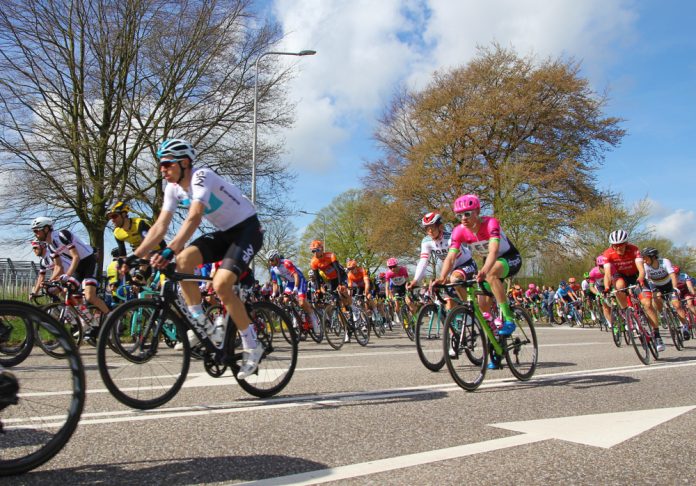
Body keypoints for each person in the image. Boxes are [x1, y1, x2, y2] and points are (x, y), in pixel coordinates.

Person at [132, 138, 264, 379]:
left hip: (247, 230)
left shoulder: (201, 176)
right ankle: (202, 322)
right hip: (225, 233)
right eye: (161, 165)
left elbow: (194, 218)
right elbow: (160, 226)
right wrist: (136, 255)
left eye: (167, 164)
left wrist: (169, 249)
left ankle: (252, 345)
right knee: (183, 262)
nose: (162, 170)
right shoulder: (172, 189)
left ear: (184, 163)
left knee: (221, 284)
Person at [436, 194, 522, 339]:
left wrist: (485, 270)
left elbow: (494, 251)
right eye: (459, 215)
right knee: (483, 306)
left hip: (509, 258)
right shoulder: (459, 231)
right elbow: (450, 257)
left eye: (467, 214)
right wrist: (442, 277)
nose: (463, 218)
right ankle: (496, 343)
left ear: (477, 212)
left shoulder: (490, 223)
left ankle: (508, 318)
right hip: (490, 262)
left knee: (490, 274)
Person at [31, 216, 110, 339]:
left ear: (46, 229)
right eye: (34, 231)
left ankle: (111, 317)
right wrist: (50, 281)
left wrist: (67, 275)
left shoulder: (62, 235)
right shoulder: (51, 246)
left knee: (89, 296)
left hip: (88, 261)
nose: (35, 233)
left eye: (37, 230)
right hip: (78, 267)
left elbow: (76, 257)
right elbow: (58, 266)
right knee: (67, 291)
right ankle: (89, 322)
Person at [601, 230, 663, 352]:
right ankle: (626, 312)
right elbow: (607, 274)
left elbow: (641, 269)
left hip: (635, 275)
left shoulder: (634, 249)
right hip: (621, 275)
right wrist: (607, 288)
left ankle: (657, 335)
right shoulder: (607, 254)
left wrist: (640, 278)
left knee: (647, 304)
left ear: (626, 243)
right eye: (615, 245)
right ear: (612, 245)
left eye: (621, 244)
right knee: (618, 287)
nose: (618, 247)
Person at [408, 212, 476, 309]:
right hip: (450, 270)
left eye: (432, 227)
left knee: (454, 278)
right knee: (449, 306)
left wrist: (443, 277)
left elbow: (452, 259)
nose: (430, 231)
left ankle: (470, 311)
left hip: (466, 264)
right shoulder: (426, 242)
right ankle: (457, 318)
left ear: (440, 226)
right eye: (427, 228)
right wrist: (415, 280)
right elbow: (423, 262)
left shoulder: (451, 238)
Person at [267, 249, 320, 334]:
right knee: (286, 300)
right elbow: (275, 284)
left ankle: (313, 318)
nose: (270, 262)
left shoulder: (286, 263)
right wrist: (273, 294)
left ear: (277, 258)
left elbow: (296, 275)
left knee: (302, 302)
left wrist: (295, 288)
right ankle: (297, 316)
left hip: (300, 280)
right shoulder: (273, 269)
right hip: (290, 283)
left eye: (271, 260)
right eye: (269, 261)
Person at [642, 247, 689, 338]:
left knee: (676, 305)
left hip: (669, 285)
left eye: (646, 257)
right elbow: (647, 279)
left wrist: (675, 288)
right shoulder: (645, 266)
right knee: (657, 297)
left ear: (653, 257)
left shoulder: (664, 262)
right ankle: (662, 314)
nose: (644, 260)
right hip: (656, 286)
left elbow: (672, 275)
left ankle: (685, 327)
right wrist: (651, 290)